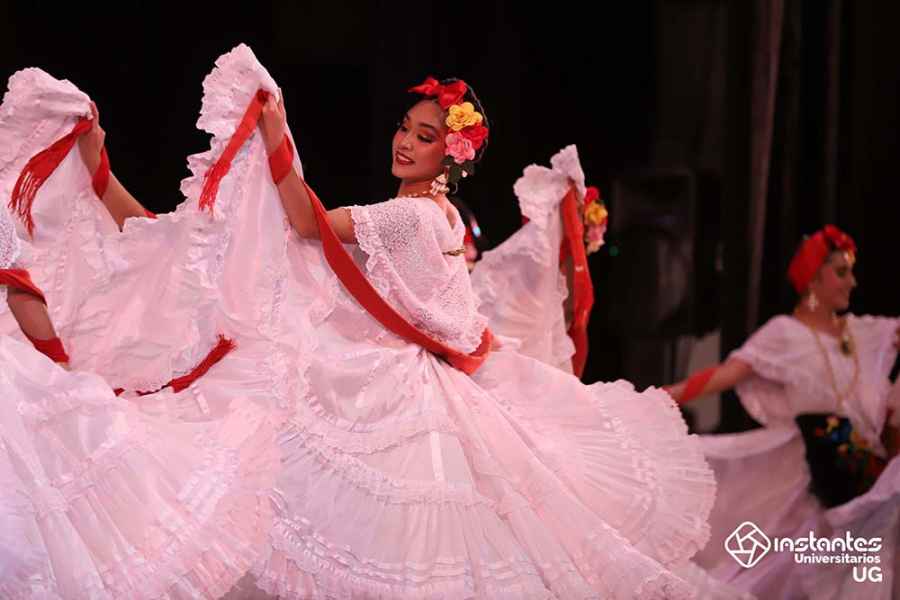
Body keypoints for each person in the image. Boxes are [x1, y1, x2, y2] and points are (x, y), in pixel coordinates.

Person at [3, 45, 720, 598]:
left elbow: (304, 222)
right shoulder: (435, 217)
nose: (405, 142)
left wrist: (274, 134)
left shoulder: (414, 217)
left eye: (426, 136)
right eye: (406, 128)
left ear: (453, 154)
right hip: (394, 376)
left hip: (389, 390)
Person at [666, 225, 900, 598]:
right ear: (814, 277)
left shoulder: (865, 333)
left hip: (867, 487)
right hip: (806, 487)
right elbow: (726, 374)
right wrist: (660, 397)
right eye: (841, 272)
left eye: (851, 272)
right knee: (775, 572)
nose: (852, 282)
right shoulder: (785, 334)